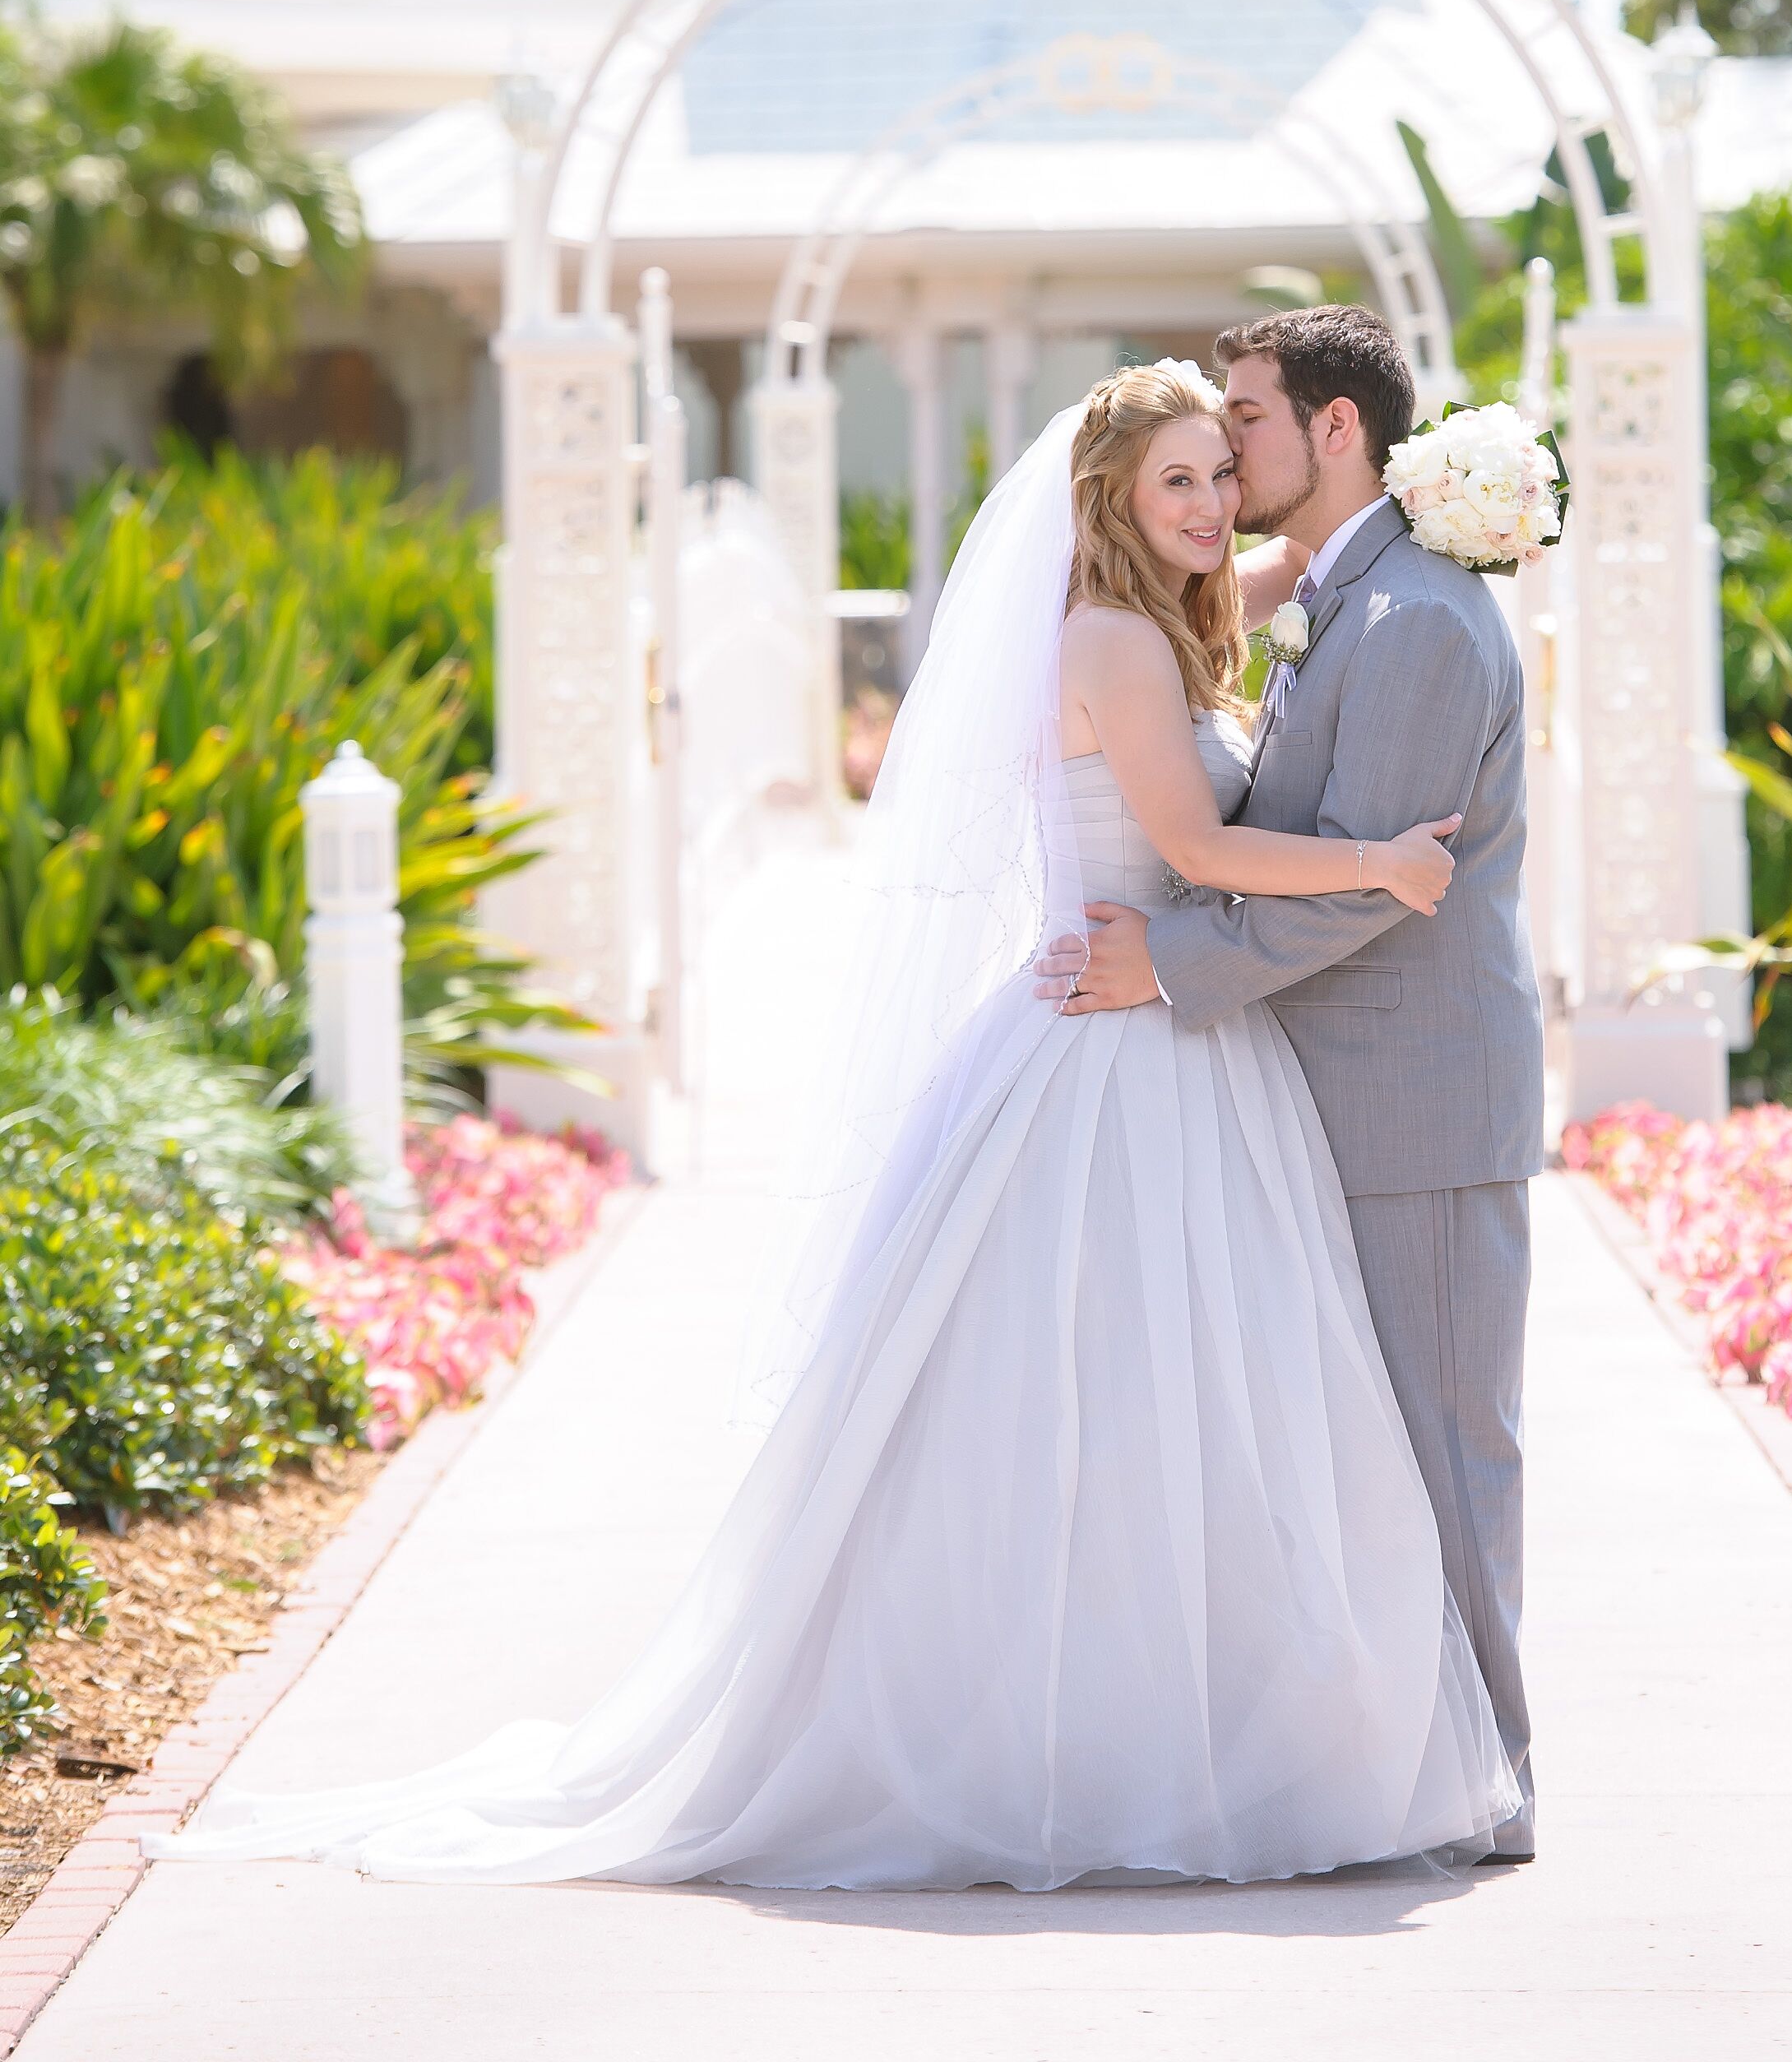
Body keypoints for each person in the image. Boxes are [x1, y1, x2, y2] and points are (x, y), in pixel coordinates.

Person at [157, 362, 1517, 1893]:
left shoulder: (1153, 617)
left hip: (1156, 1032)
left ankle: (1185, 1721)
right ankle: (1105, 1745)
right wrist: (1378, 868)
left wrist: (1411, 497)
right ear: (1112, 505)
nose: (1212, 507)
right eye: (1178, 484)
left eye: (1223, 470)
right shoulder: (1119, 644)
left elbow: (1289, 561)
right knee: (1130, 1402)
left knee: (1177, 1409)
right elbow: (1194, 840)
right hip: (1122, 1046)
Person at [1039, 306, 1543, 1859]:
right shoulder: (1337, 593)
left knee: (1445, 1451)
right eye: (1192, 453)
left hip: (1415, 1101)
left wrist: (1169, 965)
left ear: (1334, 431)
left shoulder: (1410, 622)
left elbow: (1364, 887)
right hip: (1301, 1091)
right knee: (1346, 1456)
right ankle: (1389, 1763)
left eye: (1243, 424)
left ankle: (1490, 1783)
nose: (1224, 462)